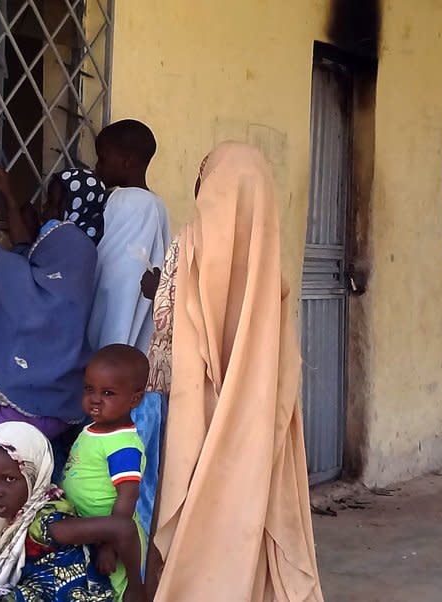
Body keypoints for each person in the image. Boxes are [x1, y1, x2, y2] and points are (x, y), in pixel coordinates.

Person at [141, 142, 324, 601]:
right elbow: (281, 362)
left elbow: (164, 330)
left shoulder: (190, 243)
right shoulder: (271, 267)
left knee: (196, 508)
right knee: (251, 498)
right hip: (256, 415)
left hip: (192, 409)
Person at [0, 164, 99, 511]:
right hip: (44, 426)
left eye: (51, 203)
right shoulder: (74, 263)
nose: (43, 208)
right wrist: (7, 195)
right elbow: (25, 249)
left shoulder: (61, 258)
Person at [0, 421, 145, 602]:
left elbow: (124, 528)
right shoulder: (18, 515)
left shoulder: (46, 524)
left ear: (33, 476)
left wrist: (136, 589)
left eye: (9, 479)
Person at [61, 345, 148, 602]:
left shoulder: (122, 445)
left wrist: (110, 546)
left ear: (134, 400)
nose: (95, 399)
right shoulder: (95, 429)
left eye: (108, 393)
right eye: (90, 389)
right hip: (90, 527)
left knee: (115, 587)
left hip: (111, 534)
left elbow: (127, 498)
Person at [87, 119, 171, 354]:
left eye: (103, 159)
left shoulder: (127, 201)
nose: (97, 167)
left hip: (115, 321)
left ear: (128, 161)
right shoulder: (156, 203)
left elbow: (118, 277)